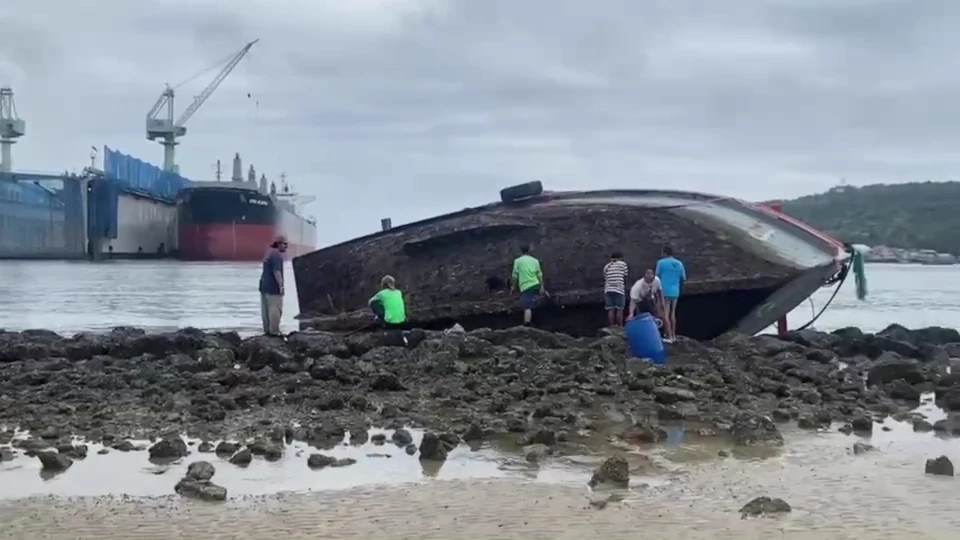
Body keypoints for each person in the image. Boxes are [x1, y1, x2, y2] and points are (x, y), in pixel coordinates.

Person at [656, 244, 686, 343]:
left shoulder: (661, 263)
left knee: (665, 314)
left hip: (665, 291)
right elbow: (683, 278)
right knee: (673, 314)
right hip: (675, 291)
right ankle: (673, 335)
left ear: (664, 252)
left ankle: (669, 336)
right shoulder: (679, 263)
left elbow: (657, 276)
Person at [259, 235, 287, 337]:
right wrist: (281, 286)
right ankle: (274, 331)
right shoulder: (277, 255)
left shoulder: (268, 253)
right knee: (275, 309)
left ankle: (267, 330)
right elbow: (277, 272)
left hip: (264, 286)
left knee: (265, 310)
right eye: (285, 244)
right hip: (273, 287)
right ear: (279, 244)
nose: (286, 247)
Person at [511, 245, 546, 326]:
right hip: (536, 284)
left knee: (527, 306)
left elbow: (514, 275)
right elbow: (539, 274)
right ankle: (537, 321)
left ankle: (527, 323)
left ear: (520, 250)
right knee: (534, 302)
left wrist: (513, 286)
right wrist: (542, 286)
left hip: (526, 286)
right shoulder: (535, 260)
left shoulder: (518, 261)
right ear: (529, 250)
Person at [602, 252, 629, 327]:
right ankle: (620, 326)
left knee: (611, 309)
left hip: (608, 290)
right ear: (620, 258)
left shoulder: (606, 266)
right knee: (619, 309)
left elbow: (605, 278)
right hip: (619, 289)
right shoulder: (622, 264)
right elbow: (625, 275)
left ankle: (612, 326)